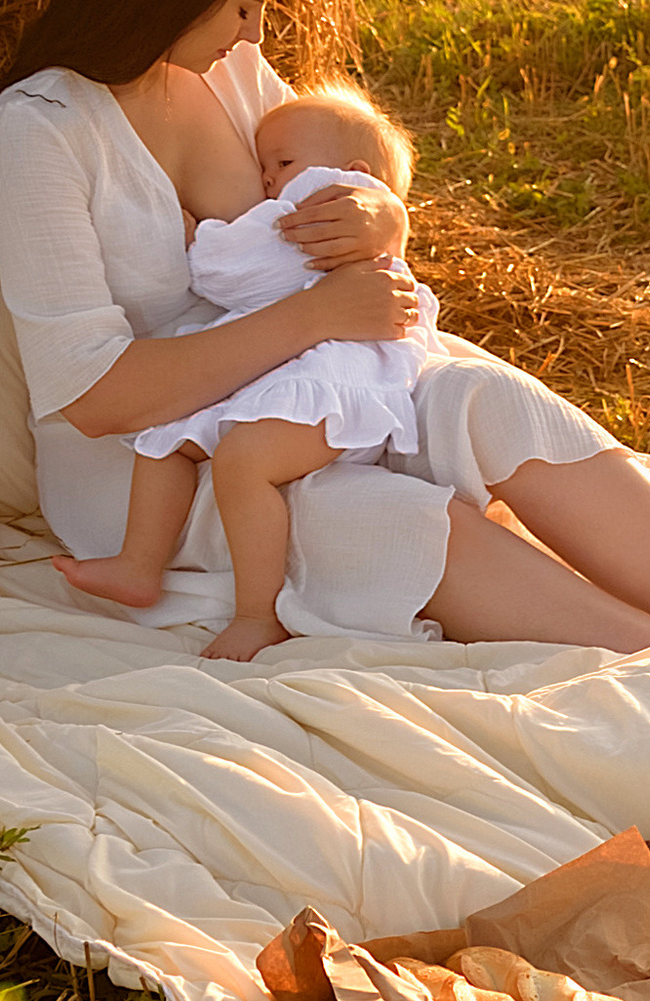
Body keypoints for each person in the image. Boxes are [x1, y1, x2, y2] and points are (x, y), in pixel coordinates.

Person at [0, 0, 650, 653]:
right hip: (160, 463)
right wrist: (314, 315)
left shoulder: (230, 73)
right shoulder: (41, 129)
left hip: (313, 382)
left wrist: (382, 219)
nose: (255, 31)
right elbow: (91, 393)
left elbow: (344, 177)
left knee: (488, 396)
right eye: (243, 4)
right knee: (377, 516)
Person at [54, 79, 444, 662]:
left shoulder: (330, 199)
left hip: (337, 382)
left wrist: (197, 243)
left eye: (282, 162)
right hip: (295, 363)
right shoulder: (335, 202)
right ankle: (138, 566)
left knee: (242, 463)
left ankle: (258, 615)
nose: (267, 180)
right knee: (165, 438)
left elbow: (246, 272)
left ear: (355, 170)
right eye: (264, 166)